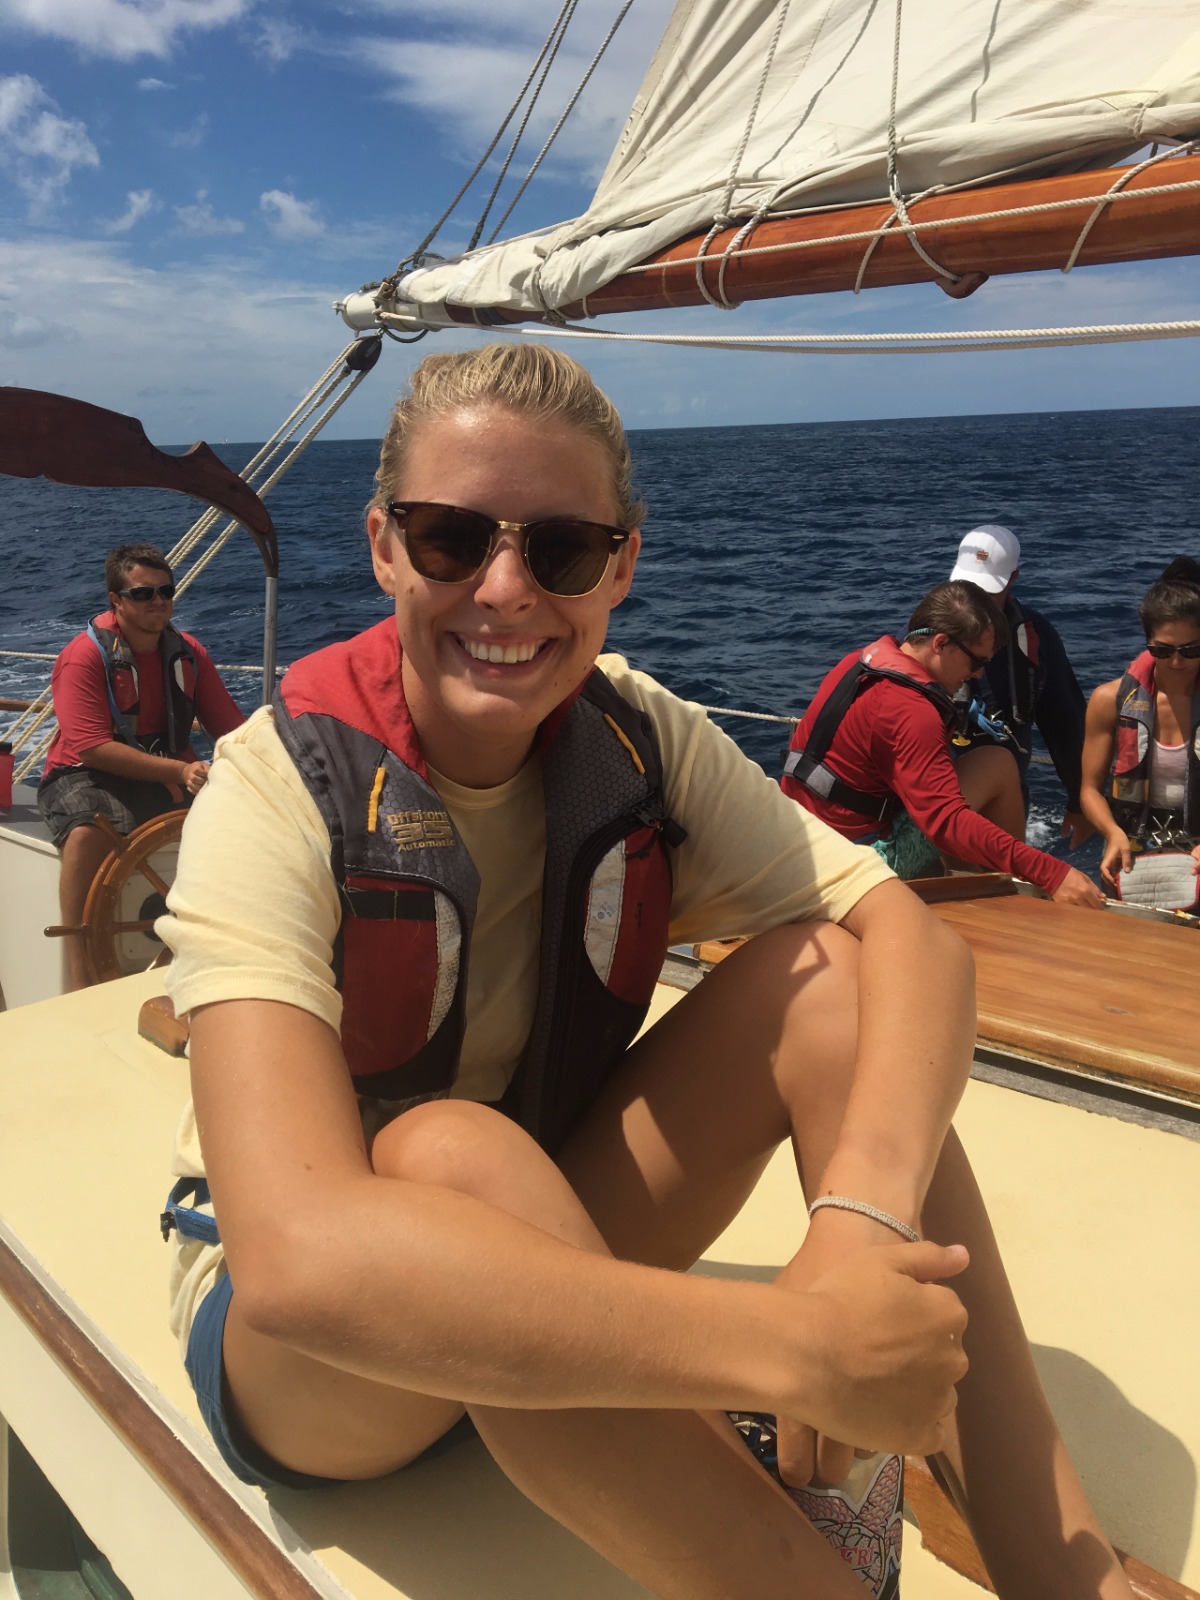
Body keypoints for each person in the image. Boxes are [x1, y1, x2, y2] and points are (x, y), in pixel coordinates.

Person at [159, 344, 1131, 1599]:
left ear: (622, 563)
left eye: (563, 550)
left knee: (825, 980)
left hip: (558, 1262)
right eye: (451, 539)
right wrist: (793, 1343)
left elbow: (914, 942)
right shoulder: (275, 786)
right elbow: (300, 1263)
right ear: (385, 547)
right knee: (453, 1153)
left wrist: (858, 1227)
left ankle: (1067, 1573)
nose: (505, 590)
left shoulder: (635, 738)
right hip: (326, 1362)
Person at [782, 580, 1103, 907]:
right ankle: (1013, 903)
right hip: (854, 865)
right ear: (940, 643)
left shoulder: (861, 662)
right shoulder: (911, 711)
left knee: (980, 766)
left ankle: (976, 879)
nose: (979, 675)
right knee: (999, 764)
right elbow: (946, 823)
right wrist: (1051, 873)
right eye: (976, 662)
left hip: (801, 844)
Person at [38, 543, 244, 989]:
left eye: (165, 591)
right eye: (143, 594)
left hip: (166, 769)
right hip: (83, 772)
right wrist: (178, 772)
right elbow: (91, 747)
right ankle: (80, 976)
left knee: (245, 824)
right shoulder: (83, 657)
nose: (158, 602)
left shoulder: (189, 654)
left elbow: (232, 730)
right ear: (116, 600)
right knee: (87, 832)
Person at [948, 524, 1091, 847]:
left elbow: (1065, 720)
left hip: (1007, 799)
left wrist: (1079, 799)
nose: (976, 601)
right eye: (968, 587)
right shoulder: (927, 633)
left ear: (1013, 578)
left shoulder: (1036, 636)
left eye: (987, 591)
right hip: (938, 794)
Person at [1079, 557, 1200, 891]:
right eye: (1163, 650)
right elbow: (1089, 790)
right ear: (1147, 642)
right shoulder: (1108, 701)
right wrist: (1112, 833)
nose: (1176, 661)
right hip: (1132, 855)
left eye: (1191, 650)